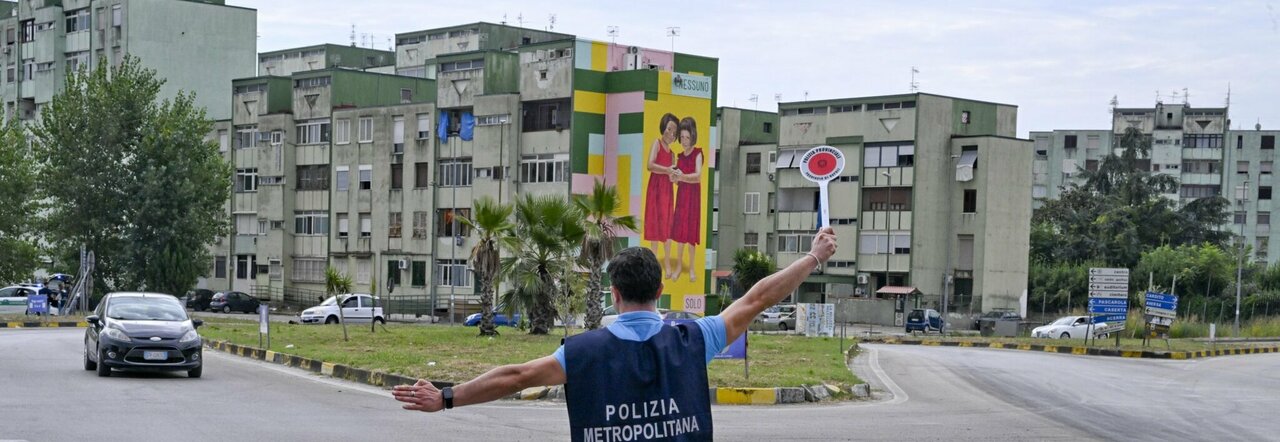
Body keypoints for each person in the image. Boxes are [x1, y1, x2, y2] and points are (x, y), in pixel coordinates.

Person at [393, 227, 839, 441]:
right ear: (660, 290)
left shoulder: (580, 352)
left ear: (614, 291)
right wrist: (813, 257)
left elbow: (515, 375)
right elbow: (757, 299)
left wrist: (446, 398)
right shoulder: (695, 338)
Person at [643, 113, 680, 279]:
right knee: (654, 223)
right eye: (669, 129)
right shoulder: (656, 144)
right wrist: (666, 170)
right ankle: (653, 261)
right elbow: (649, 165)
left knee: (667, 225)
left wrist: (677, 176)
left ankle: (665, 263)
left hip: (667, 190)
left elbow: (672, 176)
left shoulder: (672, 153)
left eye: (674, 132)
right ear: (663, 127)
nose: (671, 133)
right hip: (656, 188)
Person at [669, 117, 704, 282]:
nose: (684, 141)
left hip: (693, 199)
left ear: (693, 136)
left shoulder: (698, 153)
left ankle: (691, 268)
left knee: (690, 235)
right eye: (681, 137)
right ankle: (678, 267)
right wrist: (674, 177)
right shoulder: (679, 156)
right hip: (682, 197)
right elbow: (677, 180)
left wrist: (682, 177)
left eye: (687, 137)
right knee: (680, 233)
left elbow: (697, 176)